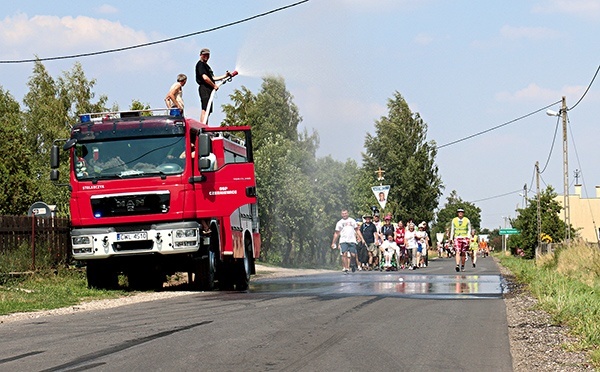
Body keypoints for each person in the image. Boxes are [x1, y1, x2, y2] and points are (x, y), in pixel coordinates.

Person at [195, 48, 232, 124]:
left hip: (208, 89)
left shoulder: (207, 66)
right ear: (201, 55)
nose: (206, 56)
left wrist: (225, 76)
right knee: (205, 108)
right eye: (205, 54)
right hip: (204, 88)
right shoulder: (200, 64)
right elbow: (205, 78)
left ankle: (205, 126)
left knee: (208, 110)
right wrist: (214, 85)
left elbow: (212, 78)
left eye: (208, 55)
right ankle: (203, 127)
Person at [331, 209, 364, 273]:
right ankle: (346, 268)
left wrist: (362, 238)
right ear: (341, 214)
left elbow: (357, 230)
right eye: (343, 214)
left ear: (348, 214)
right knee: (344, 254)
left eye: (345, 213)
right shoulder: (339, 223)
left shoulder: (352, 221)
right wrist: (333, 242)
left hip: (352, 240)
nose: (344, 215)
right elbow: (336, 233)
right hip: (343, 240)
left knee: (353, 255)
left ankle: (353, 264)